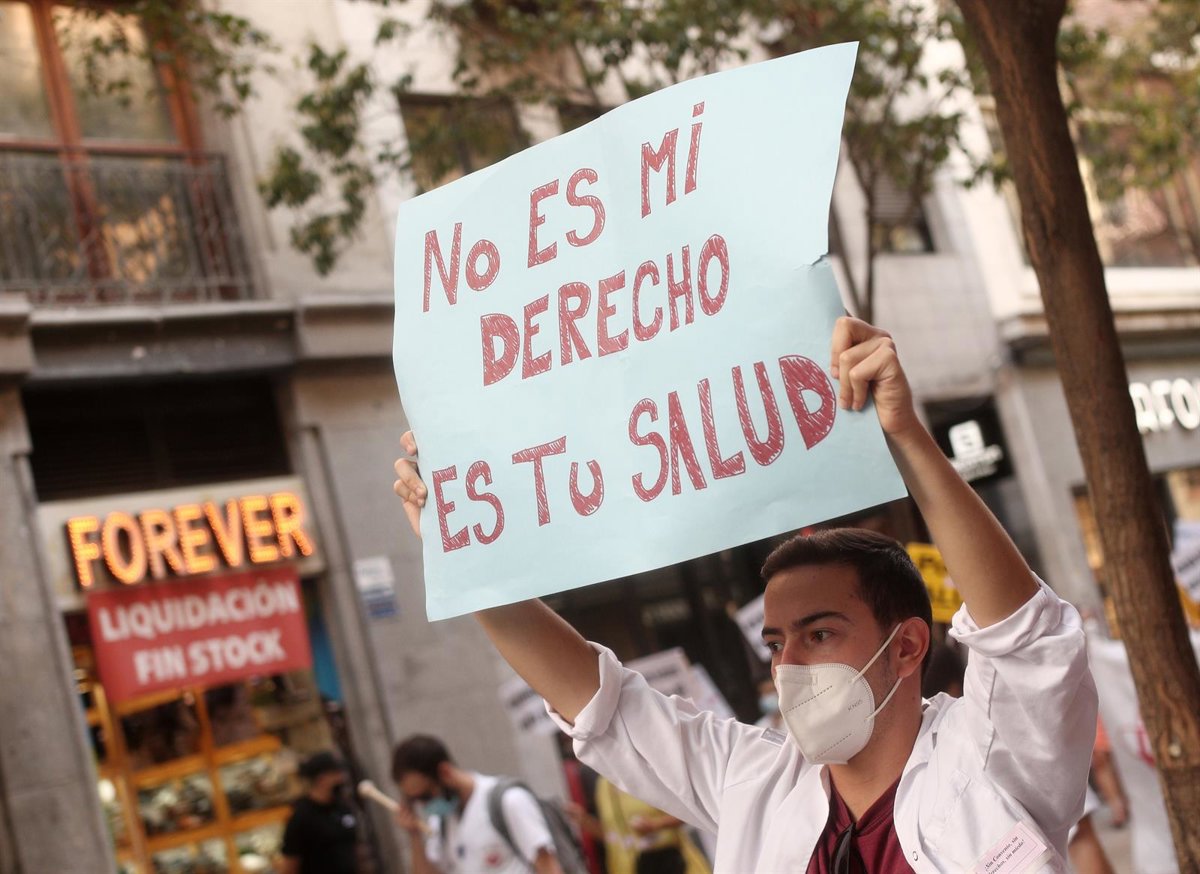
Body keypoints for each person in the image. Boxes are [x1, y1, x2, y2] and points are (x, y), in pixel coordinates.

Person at [392, 317, 1098, 872]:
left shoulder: (994, 759)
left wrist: (908, 437)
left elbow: (1025, 638)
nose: (788, 664)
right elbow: (598, 703)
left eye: (819, 634)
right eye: (775, 642)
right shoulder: (755, 782)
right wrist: (468, 565)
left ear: (907, 645)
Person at [391, 733, 565, 874]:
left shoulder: (508, 800)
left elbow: (548, 866)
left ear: (445, 772)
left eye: (425, 796)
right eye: (414, 800)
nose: (423, 806)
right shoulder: (440, 823)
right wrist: (414, 835)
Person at [279, 751, 359, 874]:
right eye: (336, 774)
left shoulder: (341, 808)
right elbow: (290, 864)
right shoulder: (302, 817)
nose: (342, 778)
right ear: (321, 779)